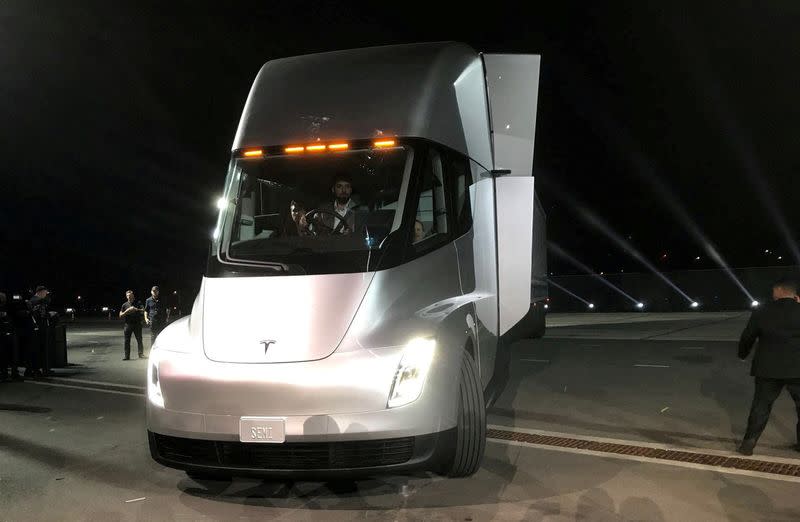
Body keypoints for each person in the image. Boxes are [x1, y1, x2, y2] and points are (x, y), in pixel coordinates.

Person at [737, 277, 800, 456]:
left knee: (761, 406)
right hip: (798, 368)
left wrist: (742, 354)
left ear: (779, 291)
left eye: (774, 291)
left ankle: (748, 444)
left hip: (768, 368)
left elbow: (748, 336)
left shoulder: (763, 311)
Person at [27, 285, 52, 377]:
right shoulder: (33, 300)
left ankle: (43, 369)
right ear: (40, 292)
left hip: (42, 327)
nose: (46, 295)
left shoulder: (41, 301)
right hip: (36, 328)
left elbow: (44, 311)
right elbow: (34, 311)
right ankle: (34, 370)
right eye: (45, 293)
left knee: (42, 349)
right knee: (36, 350)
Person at [119, 290, 145, 360]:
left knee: (139, 339)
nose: (129, 297)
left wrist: (136, 309)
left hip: (137, 324)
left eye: (130, 295)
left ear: (133, 296)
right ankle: (127, 356)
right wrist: (127, 311)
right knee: (127, 341)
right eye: (128, 296)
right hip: (128, 325)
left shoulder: (138, 303)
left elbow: (143, 310)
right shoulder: (124, 305)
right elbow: (120, 315)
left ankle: (141, 354)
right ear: (126, 296)